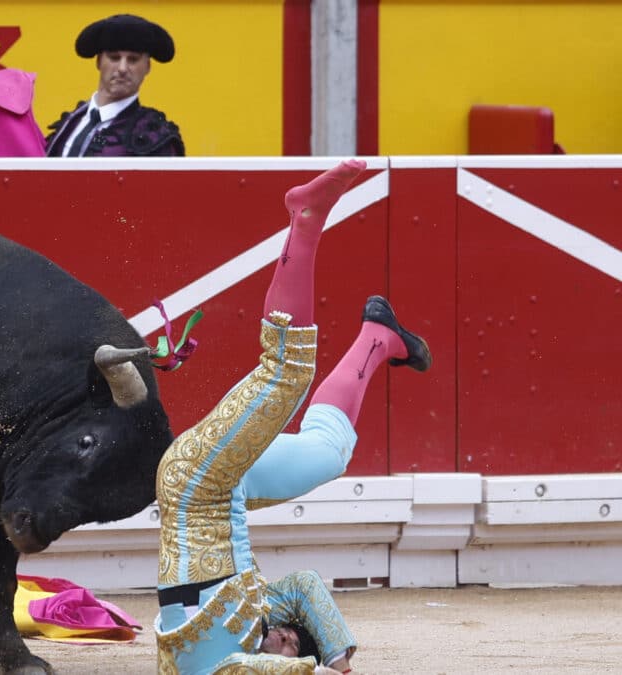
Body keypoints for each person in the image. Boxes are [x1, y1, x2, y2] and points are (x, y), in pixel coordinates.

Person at [154, 159, 432, 674]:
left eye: (285, 644)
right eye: (291, 637)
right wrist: (334, 650)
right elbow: (303, 585)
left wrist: (330, 669)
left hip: (202, 486)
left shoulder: (225, 668)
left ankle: (304, 220)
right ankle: (378, 338)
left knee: (285, 370)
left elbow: (276, 670)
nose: (283, 639)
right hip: (225, 486)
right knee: (329, 453)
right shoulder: (261, 620)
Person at [45, 14, 184, 158]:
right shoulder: (70, 122)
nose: (122, 68)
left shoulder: (155, 136)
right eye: (114, 58)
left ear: (147, 67)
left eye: (133, 60)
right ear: (98, 62)